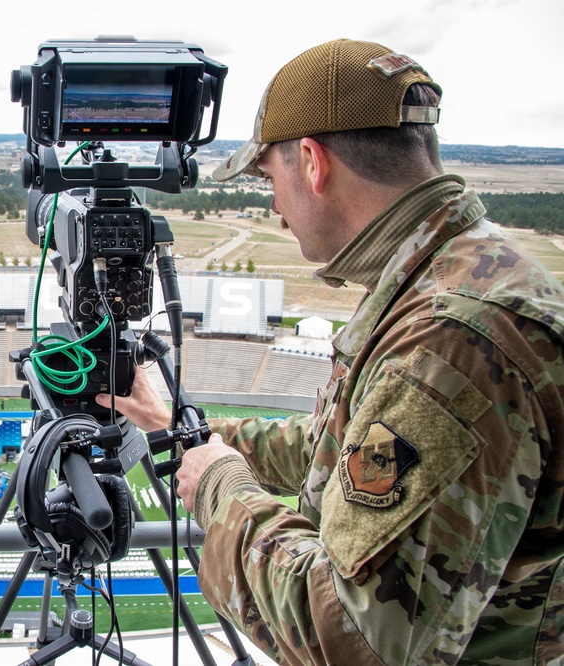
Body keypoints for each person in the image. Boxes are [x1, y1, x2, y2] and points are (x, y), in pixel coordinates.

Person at [98, 38, 564, 665]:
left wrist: (219, 485)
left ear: (312, 163)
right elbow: (341, 451)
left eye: (269, 178)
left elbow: (351, 636)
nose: (274, 208)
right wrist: (179, 428)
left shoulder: (449, 342)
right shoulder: (456, 274)